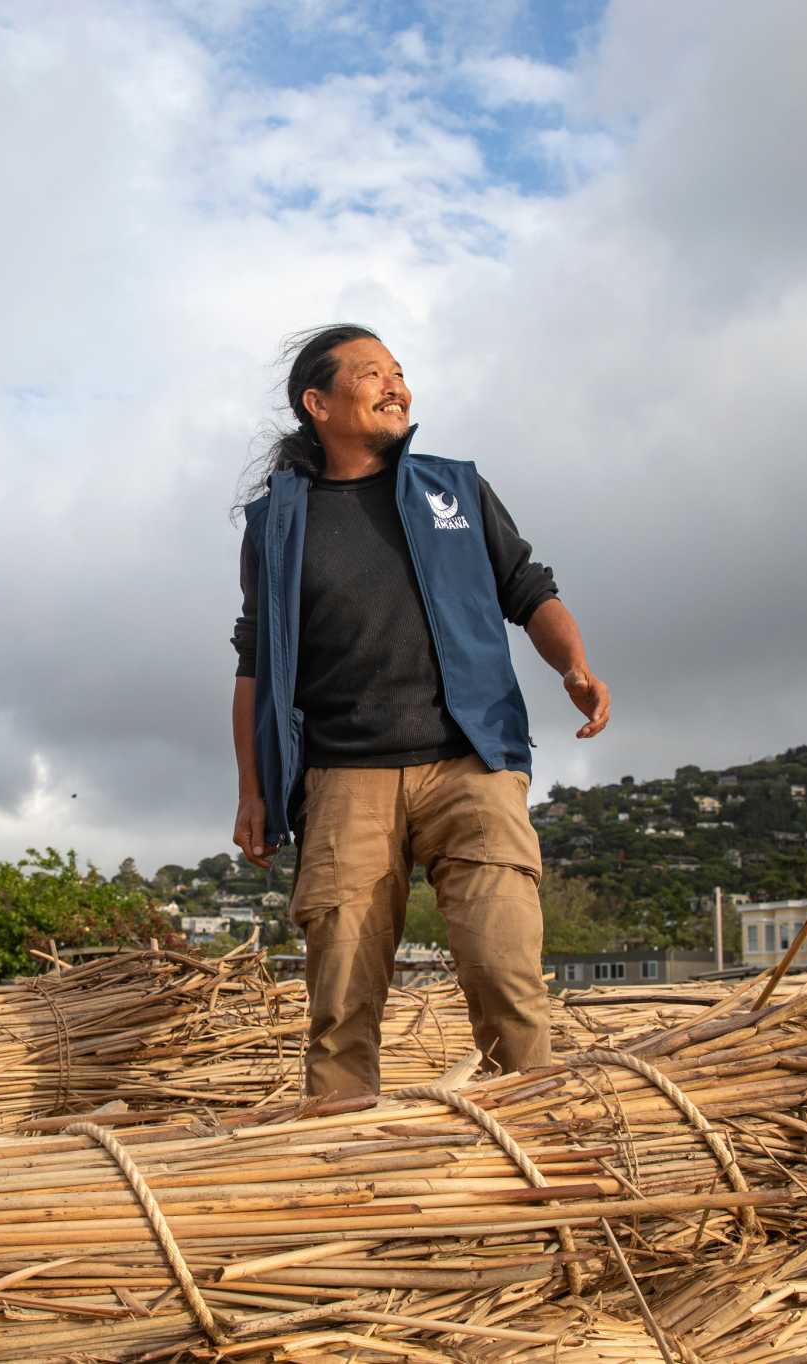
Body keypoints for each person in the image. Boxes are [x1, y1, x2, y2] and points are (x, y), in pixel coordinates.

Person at [230, 324, 610, 1099]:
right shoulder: (276, 524)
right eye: (372, 374)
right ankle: (345, 1174)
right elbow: (253, 659)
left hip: (472, 761)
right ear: (319, 402)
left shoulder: (455, 489)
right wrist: (252, 789)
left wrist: (573, 663)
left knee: (505, 973)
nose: (395, 385)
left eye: (399, 372)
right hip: (344, 778)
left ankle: (541, 1158)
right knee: (340, 1003)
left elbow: (528, 588)